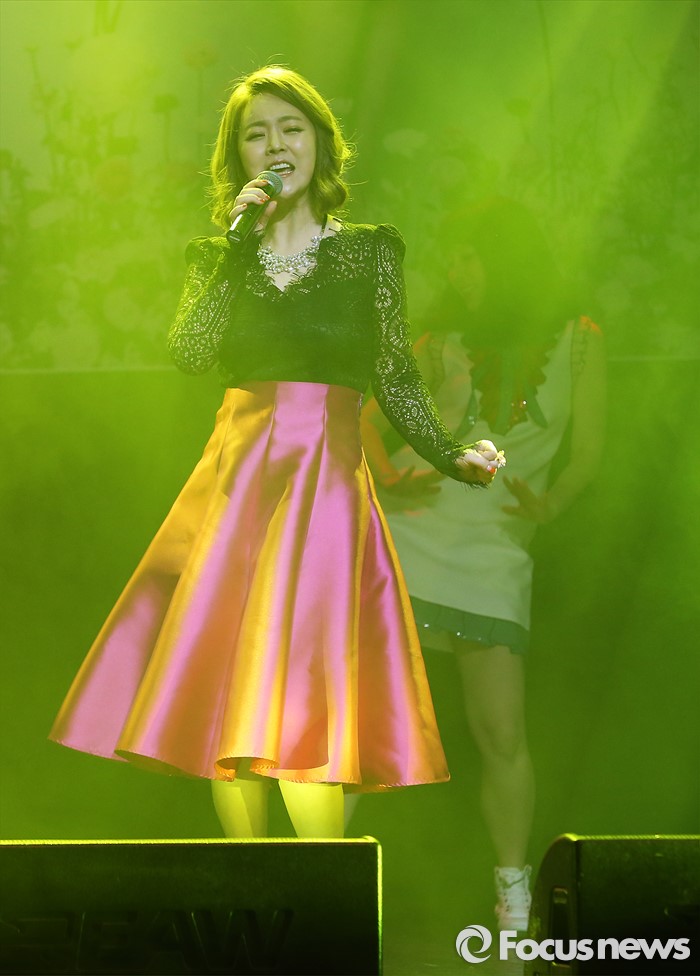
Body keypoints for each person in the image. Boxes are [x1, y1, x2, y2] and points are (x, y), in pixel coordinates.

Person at [49, 66, 505, 840]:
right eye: (256, 134)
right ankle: (251, 886)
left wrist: (450, 453)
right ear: (239, 157)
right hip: (238, 482)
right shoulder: (217, 257)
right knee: (229, 688)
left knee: (303, 684)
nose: (275, 145)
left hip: (324, 483)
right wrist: (236, 245)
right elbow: (190, 352)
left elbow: (393, 371)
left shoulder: (367, 253)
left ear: (321, 144)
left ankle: (321, 889)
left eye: (291, 128)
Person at [361, 198, 605, 928]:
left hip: (496, 544)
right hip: (415, 533)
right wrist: (388, 476)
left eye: (470, 257)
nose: (459, 271)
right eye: (455, 260)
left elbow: (587, 452)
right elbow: (368, 419)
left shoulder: (581, 339)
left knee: (500, 730)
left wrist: (550, 506)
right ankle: (328, 876)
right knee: (359, 714)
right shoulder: (441, 341)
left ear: (506, 259)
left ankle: (513, 895)